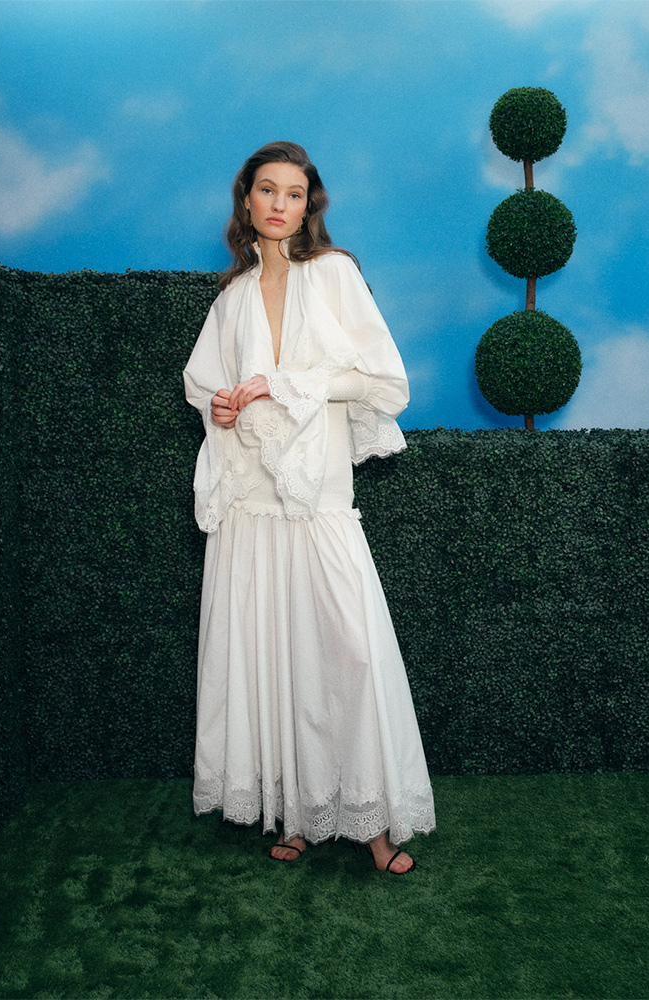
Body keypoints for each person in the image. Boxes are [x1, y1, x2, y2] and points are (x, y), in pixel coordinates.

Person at [184, 141, 435, 874]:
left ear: (308, 205)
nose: (278, 204)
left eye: (294, 193)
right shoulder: (229, 299)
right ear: (246, 201)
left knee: (346, 654)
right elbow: (205, 386)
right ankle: (295, 813)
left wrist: (286, 385)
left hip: (317, 495)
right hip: (251, 508)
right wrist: (227, 407)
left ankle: (375, 825)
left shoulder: (335, 276)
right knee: (270, 659)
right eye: (266, 190)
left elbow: (382, 382)